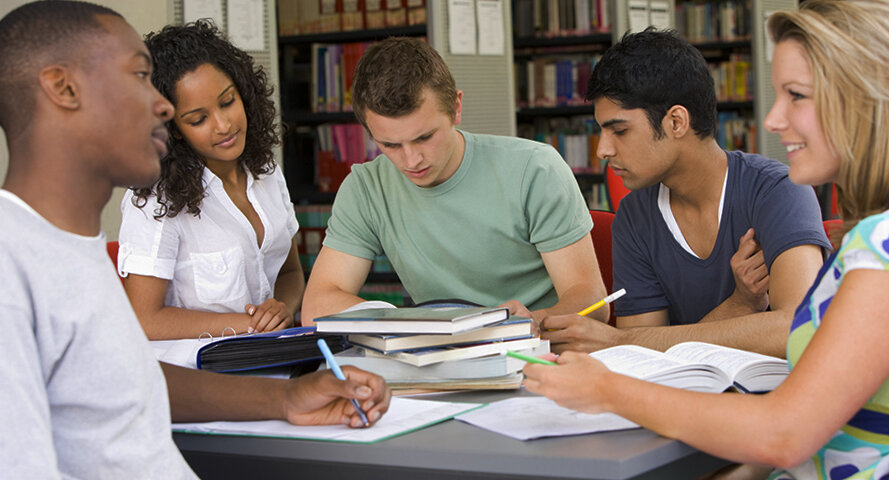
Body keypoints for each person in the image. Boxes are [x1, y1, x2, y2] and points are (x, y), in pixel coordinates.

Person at [0, 2, 390, 477]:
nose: (163, 106)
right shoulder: (11, 268)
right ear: (64, 89)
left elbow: (120, 379)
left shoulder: (66, 246)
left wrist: (287, 397)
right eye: (139, 76)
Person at [524, 0, 889, 477]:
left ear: (860, 102)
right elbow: (808, 427)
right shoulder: (863, 238)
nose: (774, 119)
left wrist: (610, 388)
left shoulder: (876, 246)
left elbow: (785, 433)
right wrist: (738, 307)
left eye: (796, 95)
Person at [539, 29, 831, 357]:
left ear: (676, 122)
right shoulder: (634, 217)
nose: (603, 150)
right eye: (601, 132)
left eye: (619, 131)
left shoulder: (778, 190)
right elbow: (645, 359)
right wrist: (738, 305)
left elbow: (798, 329)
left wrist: (620, 342)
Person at [300, 37, 608, 326]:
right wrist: (413, 326)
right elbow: (317, 306)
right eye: (390, 145)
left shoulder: (535, 169)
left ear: (457, 108)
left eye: (425, 137)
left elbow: (593, 302)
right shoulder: (366, 188)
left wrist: (531, 322)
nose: (411, 160)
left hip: (538, 353)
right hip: (435, 359)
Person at [116, 20, 304, 340]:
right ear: (172, 128)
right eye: (198, 119)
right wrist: (250, 325)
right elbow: (145, 319)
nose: (223, 125)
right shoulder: (156, 199)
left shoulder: (265, 170)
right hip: (200, 373)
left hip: (273, 356)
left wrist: (281, 308)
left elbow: (290, 272)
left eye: (228, 101)